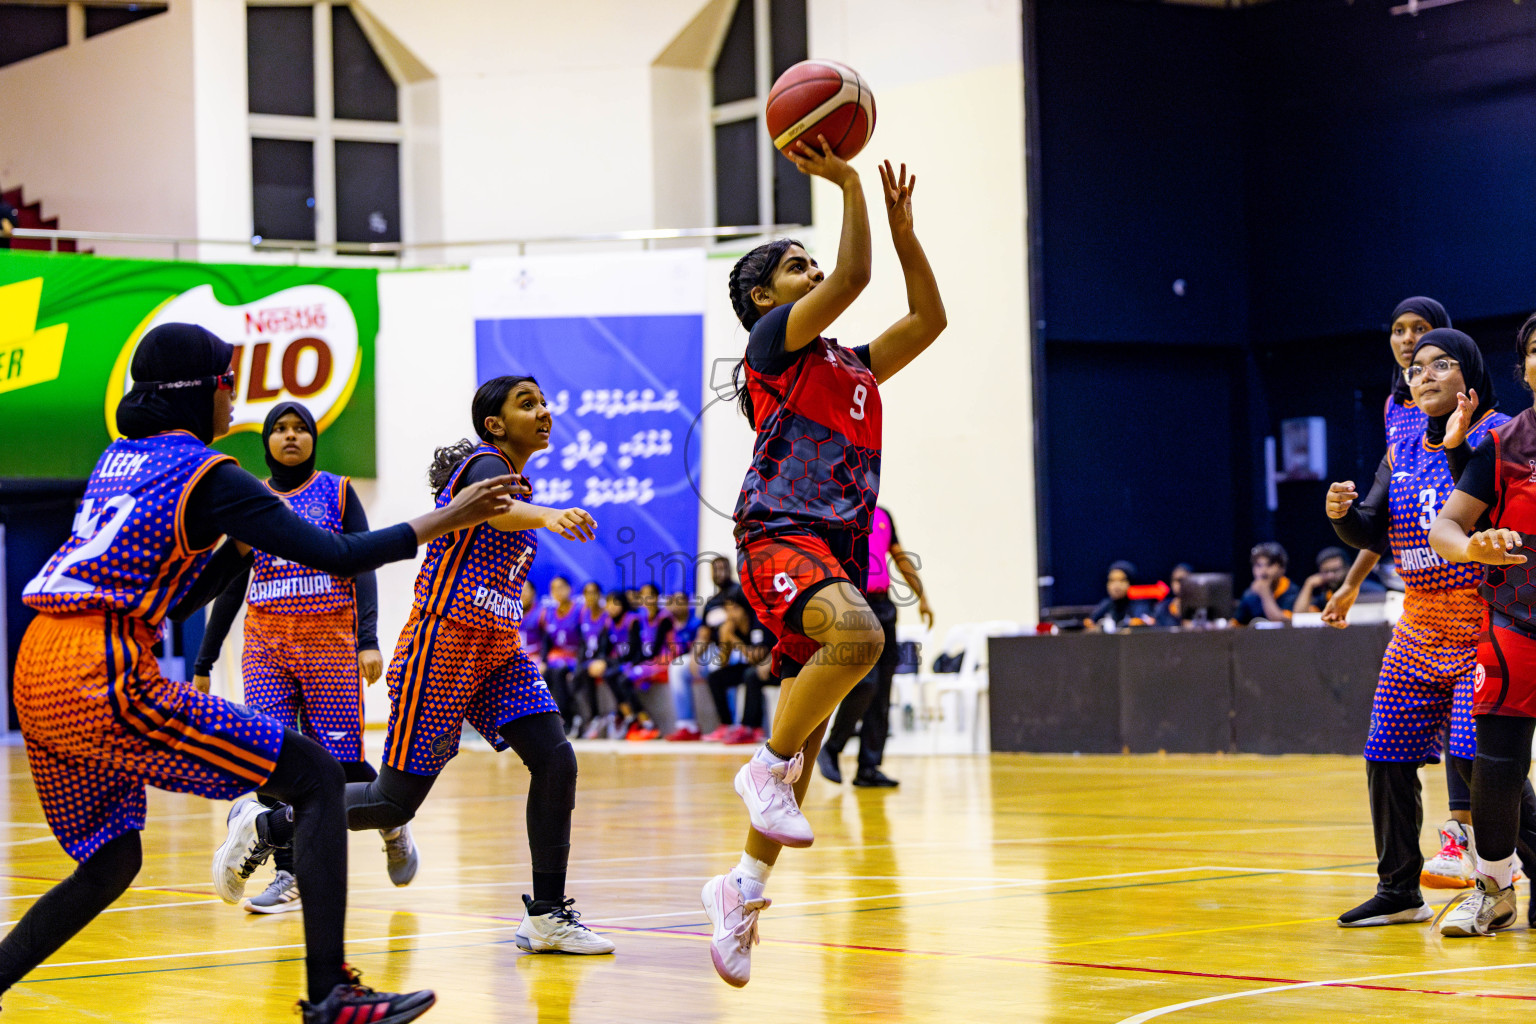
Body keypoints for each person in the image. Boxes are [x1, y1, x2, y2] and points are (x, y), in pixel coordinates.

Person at [0, 323, 522, 1022]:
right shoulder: (211, 475)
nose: (235, 399)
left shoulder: (119, 460)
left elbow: (185, 592)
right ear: (200, 392)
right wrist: (449, 516)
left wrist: (229, 562)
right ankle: (334, 993)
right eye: (227, 383)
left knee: (113, 859)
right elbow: (339, 553)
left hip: (38, 663)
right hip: (102, 669)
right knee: (313, 775)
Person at [255, 374, 613, 955]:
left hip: (496, 653)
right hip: (442, 647)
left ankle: (546, 914)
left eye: (545, 400)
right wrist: (547, 514)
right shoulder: (483, 466)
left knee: (556, 761)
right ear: (495, 424)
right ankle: (267, 828)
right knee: (392, 802)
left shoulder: (516, 482)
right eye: (528, 403)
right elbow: (498, 510)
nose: (544, 410)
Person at [704, 142, 946, 988]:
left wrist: (905, 232)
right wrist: (848, 184)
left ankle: (740, 887)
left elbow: (928, 321)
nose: (814, 271)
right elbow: (851, 278)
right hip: (777, 530)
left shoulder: (850, 363)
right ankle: (761, 764)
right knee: (859, 637)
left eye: (811, 260)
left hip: (832, 542)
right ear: (763, 296)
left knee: (808, 742)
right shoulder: (773, 346)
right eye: (794, 265)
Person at [1328, 327, 1536, 927]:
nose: (1422, 374)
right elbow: (1376, 529)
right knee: (1386, 753)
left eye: (1439, 363)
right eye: (1415, 366)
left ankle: (1502, 879)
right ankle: (1398, 888)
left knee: (1489, 764)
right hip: (1419, 622)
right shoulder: (1400, 445)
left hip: (1481, 616)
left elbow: (1481, 504)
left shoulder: (1500, 433)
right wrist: (1343, 520)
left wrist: (1454, 447)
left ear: (1470, 374)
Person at [190, 401, 389, 916]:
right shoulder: (251, 499)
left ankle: (391, 810)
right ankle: (289, 874)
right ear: (266, 442)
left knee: (340, 765)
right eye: (280, 428)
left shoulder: (339, 491)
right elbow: (229, 588)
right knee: (272, 758)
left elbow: (363, 561)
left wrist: (367, 638)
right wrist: (204, 663)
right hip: (267, 649)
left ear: (314, 439)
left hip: (330, 649)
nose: (291, 436)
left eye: (301, 428)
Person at [1428, 312, 1536, 935]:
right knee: (1496, 767)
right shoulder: (1502, 445)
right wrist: (1474, 547)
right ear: (1522, 369)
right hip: (1516, 622)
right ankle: (1495, 891)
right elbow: (1446, 526)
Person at [1323, 296, 1448, 627]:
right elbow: (1391, 512)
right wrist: (1352, 583)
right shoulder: (1393, 405)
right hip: (1418, 577)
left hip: (1469, 572)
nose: (1407, 339)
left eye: (1420, 328)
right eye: (1398, 330)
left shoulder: (1463, 403)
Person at [818, 505, 933, 787]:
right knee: (865, 683)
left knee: (882, 690)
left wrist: (922, 596)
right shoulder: (837, 512)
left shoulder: (883, 515)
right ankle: (832, 748)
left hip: (884, 606)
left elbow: (900, 555)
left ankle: (868, 767)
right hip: (854, 603)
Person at [577, 590, 656, 739]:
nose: (611, 607)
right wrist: (600, 661)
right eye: (608, 603)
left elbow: (635, 651)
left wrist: (607, 662)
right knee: (591, 672)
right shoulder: (609, 622)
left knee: (619, 677)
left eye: (615, 603)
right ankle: (610, 716)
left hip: (638, 660)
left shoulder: (633, 620)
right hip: (621, 662)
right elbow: (603, 649)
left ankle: (645, 720)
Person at [705, 591, 775, 744]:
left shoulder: (757, 623)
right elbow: (723, 661)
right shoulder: (731, 628)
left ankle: (751, 728)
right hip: (752, 667)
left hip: (773, 666)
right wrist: (725, 641)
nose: (730, 614)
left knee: (750, 675)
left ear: (744, 608)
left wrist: (733, 639)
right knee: (716, 677)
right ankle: (726, 724)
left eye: (734, 609)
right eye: (727, 609)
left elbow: (757, 657)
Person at [537, 576, 585, 736]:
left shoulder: (579, 611)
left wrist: (579, 665)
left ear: (569, 589)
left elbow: (584, 642)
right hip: (555, 658)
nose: (557, 592)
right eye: (553, 589)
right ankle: (544, 721)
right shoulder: (548, 613)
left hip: (574, 657)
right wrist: (543, 661)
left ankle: (567, 719)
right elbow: (546, 642)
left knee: (558, 673)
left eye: (561, 587)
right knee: (542, 673)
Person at [664, 590, 704, 741]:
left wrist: (694, 655)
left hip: (699, 658)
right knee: (675, 666)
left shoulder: (696, 622)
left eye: (681, 601)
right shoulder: (668, 624)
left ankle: (690, 726)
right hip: (678, 660)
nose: (677, 605)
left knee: (677, 667)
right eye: (674, 601)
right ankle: (686, 726)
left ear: (688, 604)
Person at [1235, 543, 1296, 625]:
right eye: (1258, 565)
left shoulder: (1291, 591)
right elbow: (1234, 625)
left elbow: (1284, 624)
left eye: (1269, 565)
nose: (1263, 571)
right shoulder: (1249, 594)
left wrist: (1265, 594)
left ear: (1282, 568)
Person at [1084, 560, 1153, 631]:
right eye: (1112, 580)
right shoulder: (1106, 605)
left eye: (1122, 580)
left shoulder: (1139, 605)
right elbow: (1089, 623)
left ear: (1130, 583)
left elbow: (1145, 623)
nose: (1116, 586)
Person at [1296, 547, 1350, 614]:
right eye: (1326, 571)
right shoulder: (1325, 596)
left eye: (1335, 570)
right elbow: (1299, 615)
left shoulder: (1363, 590)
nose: (1330, 576)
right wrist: (1309, 584)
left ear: (1347, 569)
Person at [1150, 563, 1193, 628]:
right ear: (1171, 583)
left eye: (1183, 580)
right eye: (1176, 580)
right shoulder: (1161, 608)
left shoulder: (1200, 608)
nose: (1180, 584)